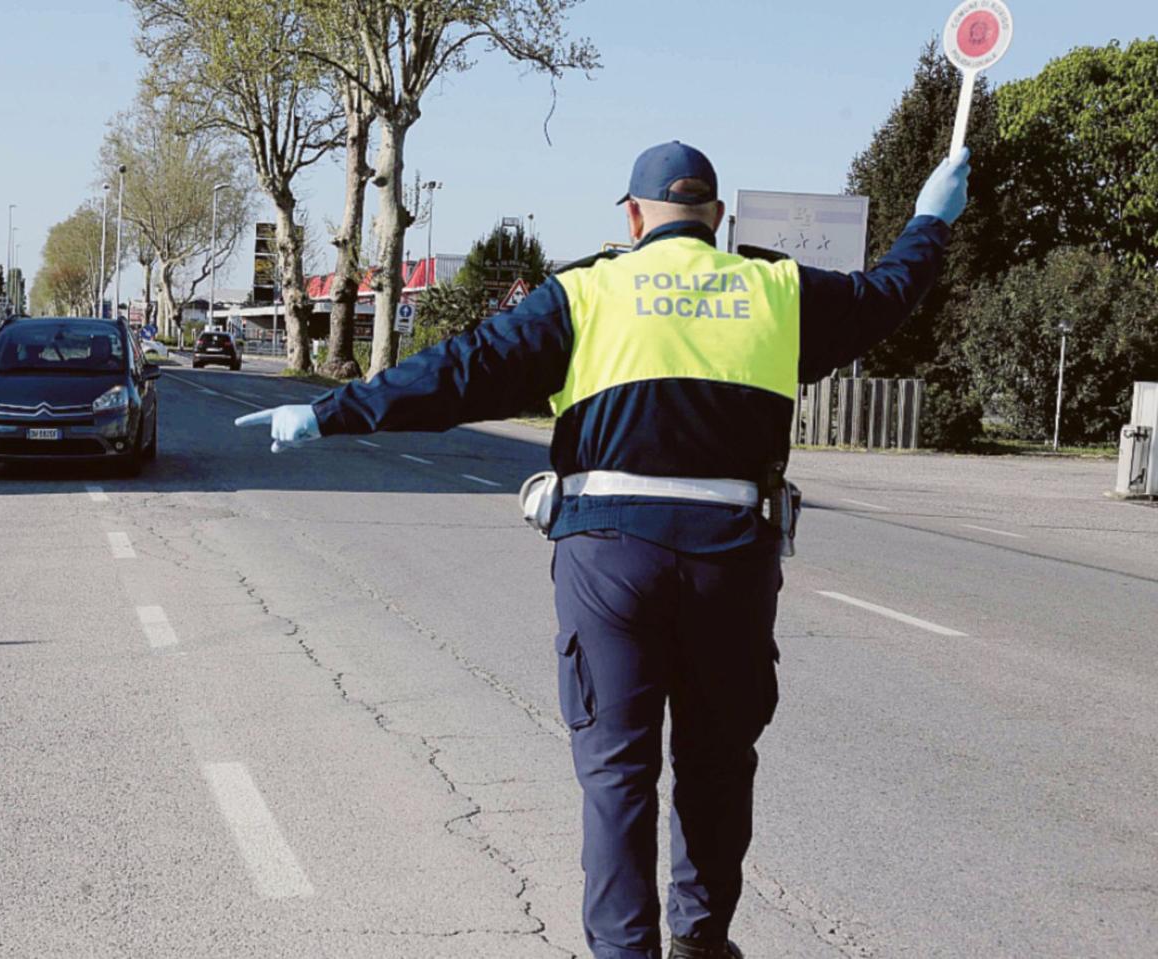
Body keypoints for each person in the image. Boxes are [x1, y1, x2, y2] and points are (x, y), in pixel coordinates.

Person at [237, 141, 969, 959]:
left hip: (610, 558)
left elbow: (460, 371)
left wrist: (333, 412)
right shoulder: (778, 290)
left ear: (632, 216)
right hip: (731, 557)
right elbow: (887, 296)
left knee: (618, 776)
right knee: (718, 763)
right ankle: (700, 938)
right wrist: (928, 221)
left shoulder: (587, 291)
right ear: (717, 219)